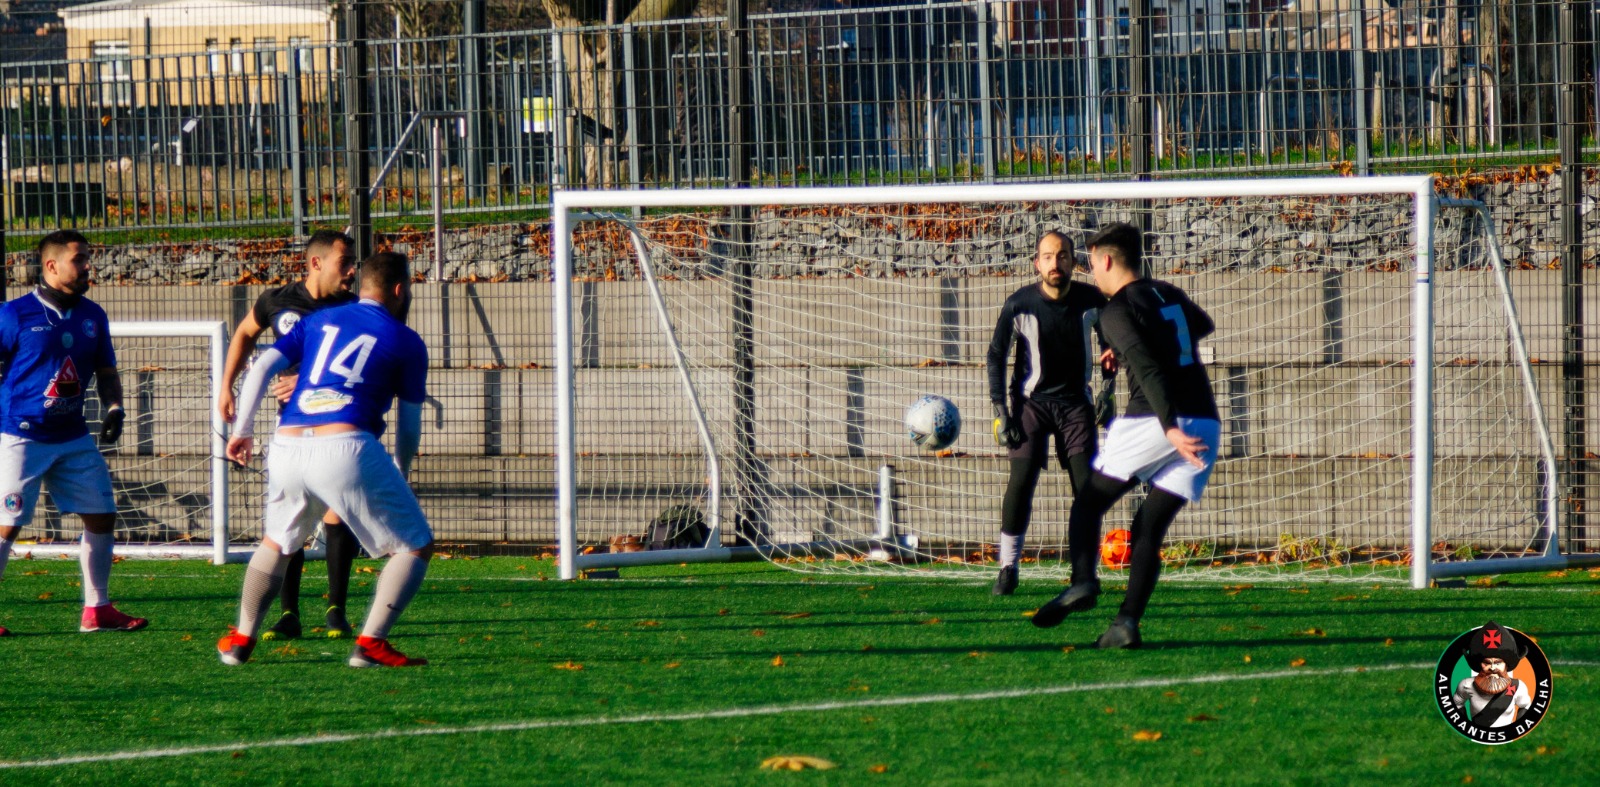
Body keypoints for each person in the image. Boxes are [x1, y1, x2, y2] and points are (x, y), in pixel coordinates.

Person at [216, 252, 432, 668]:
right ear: (401, 290)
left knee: (277, 542)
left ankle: (241, 639)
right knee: (416, 545)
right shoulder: (406, 340)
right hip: (345, 445)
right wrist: (402, 470)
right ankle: (371, 644)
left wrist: (241, 431)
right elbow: (408, 425)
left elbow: (260, 365)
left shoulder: (317, 321)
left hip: (287, 445)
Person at [1029, 222, 1220, 649]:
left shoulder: (1115, 309)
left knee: (1089, 503)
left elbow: (1149, 370)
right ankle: (1125, 624)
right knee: (1148, 525)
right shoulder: (1167, 292)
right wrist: (1132, 346)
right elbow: (1201, 326)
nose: (1090, 271)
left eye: (1092, 262)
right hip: (1205, 422)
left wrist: (1168, 427)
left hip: (1155, 422)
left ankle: (1082, 581)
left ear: (1108, 260)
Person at [0, 230, 146, 636]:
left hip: (73, 436)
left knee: (102, 515)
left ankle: (97, 610)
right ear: (52, 266)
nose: (87, 267)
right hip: (21, 436)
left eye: (87, 258)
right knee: (7, 525)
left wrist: (115, 406)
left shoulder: (92, 315)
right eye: (79, 259)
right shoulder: (14, 315)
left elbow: (106, 371)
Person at [219, 229, 361, 640]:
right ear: (316, 264)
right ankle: (289, 613)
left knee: (337, 511)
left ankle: (336, 609)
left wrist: (303, 381)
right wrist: (226, 384)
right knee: (291, 519)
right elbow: (246, 333)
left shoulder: (354, 308)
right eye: (344, 263)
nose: (351, 271)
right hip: (292, 430)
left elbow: (354, 368)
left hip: (339, 424)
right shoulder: (277, 300)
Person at [986, 230, 1109, 595]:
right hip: (1031, 405)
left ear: (1074, 261)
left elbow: (1112, 345)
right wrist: (1000, 411)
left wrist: (1110, 389)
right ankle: (1008, 568)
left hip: (1076, 405)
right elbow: (995, 355)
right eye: (1048, 256)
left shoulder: (1092, 300)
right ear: (1036, 263)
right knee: (1021, 482)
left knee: (1087, 490)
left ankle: (1083, 573)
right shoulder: (1019, 304)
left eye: (1063, 255)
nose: (1056, 263)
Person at [1450, 620, 1532, 728]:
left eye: (1498, 663)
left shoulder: (1518, 687)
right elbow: (1456, 704)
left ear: (1506, 665)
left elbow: (1526, 706)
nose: (1493, 668)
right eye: (1487, 663)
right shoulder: (1466, 684)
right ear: (1479, 665)